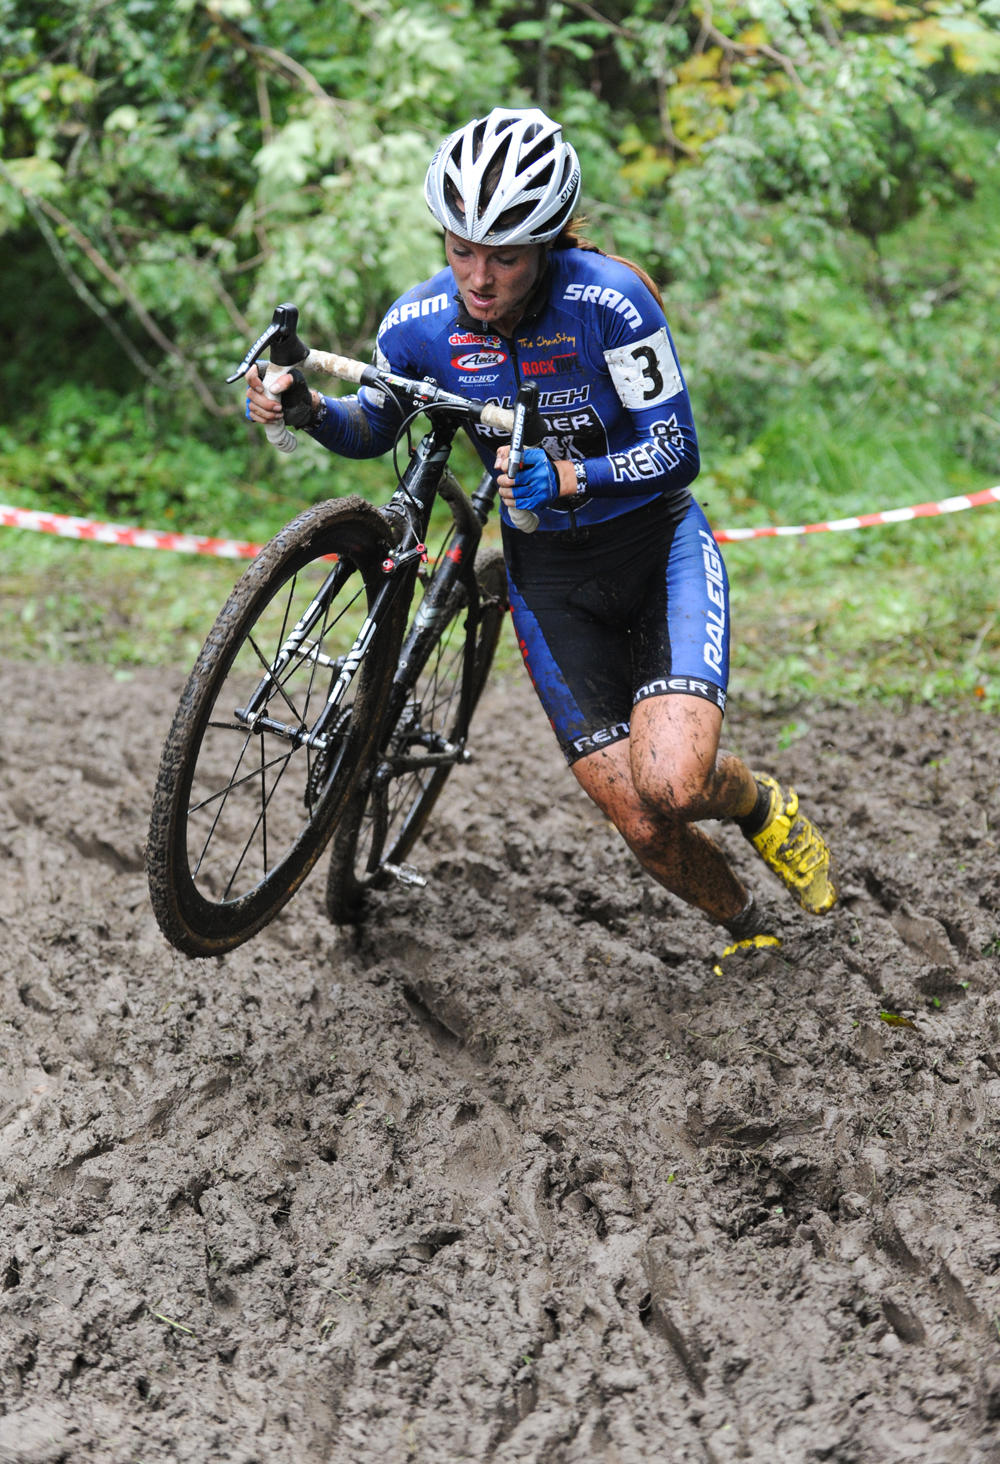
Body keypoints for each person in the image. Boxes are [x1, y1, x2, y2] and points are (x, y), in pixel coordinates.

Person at [246, 106, 837, 945]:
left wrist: (571, 474)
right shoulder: (418, 326)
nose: (479, 278)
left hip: (655, 548)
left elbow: (677, 446)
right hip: (551, 580)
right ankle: (748, 929)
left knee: (672, 784)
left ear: (550, 242)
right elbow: (373, 426)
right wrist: (303, 406)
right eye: (460, 250)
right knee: (641, 822)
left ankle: (759, 802)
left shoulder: (611, 302)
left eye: (507, 257)